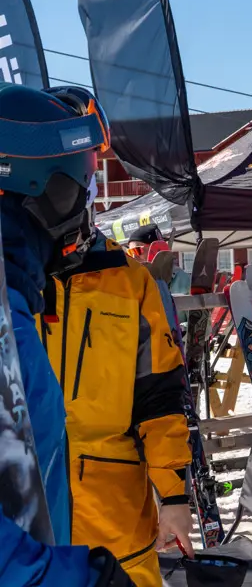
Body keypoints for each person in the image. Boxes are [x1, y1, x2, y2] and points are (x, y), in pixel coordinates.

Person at [0, 82, 135, 586]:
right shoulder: (6, 326)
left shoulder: (16, 304)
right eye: (86, 182)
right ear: (47, 188)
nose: (87, 204)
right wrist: (78, 578)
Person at [43, 216, 195, 585]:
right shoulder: (12, 279)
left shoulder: (129, 280)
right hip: (27, 517)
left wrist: (174, 496)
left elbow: (159, 397)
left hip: (115, 518)